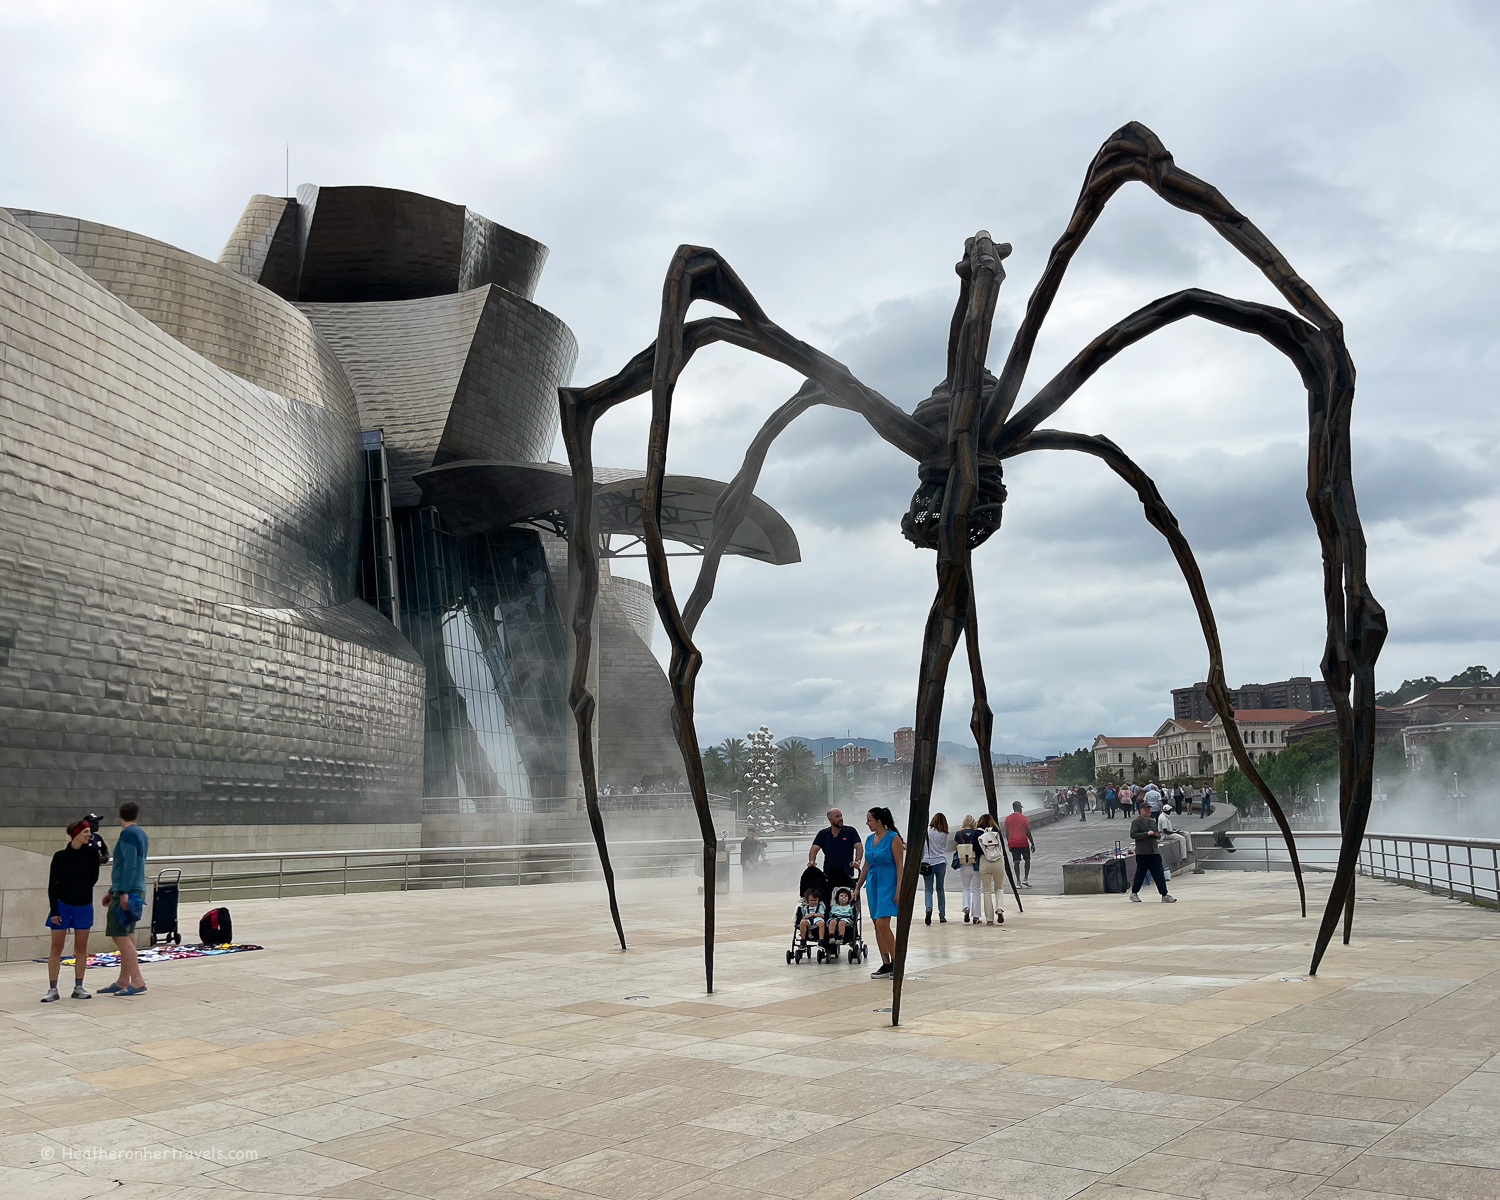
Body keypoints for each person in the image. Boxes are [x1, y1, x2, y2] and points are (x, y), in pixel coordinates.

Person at [42, 818, 102, 1002]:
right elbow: (53, 885)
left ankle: (78, 986)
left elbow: (93, 878)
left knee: (81, 948)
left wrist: (80, 892)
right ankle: (53, 988)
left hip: (83, 905)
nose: (89, 834)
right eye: (85, 832)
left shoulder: (92, 854)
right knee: (56, 948)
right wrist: (54, 910)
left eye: (89, 832)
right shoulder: (59, 856)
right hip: (62, 905)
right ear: (75, 834)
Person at [100, 801, 149, 996]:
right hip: (134, 888)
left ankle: (137, 980)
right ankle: (123, 980)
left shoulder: (128, 834)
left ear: (120, 815)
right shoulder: (141, 834)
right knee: (127, 934)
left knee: (119, 934)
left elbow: (128, 865)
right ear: (137, 814)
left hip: (129, 890)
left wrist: (122, 892)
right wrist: (114, 890)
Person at [857, 807, 904, 977]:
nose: (867, 823)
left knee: (884, 923)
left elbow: (900, 864)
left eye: (869, 820)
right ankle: (886, 963)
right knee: (877, 924)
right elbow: (866, 865)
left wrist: (899, 888)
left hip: (888, 883)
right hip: (873, 884)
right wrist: (857, 887)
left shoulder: (893, 838)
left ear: (878, 821)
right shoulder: (869, 839)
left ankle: (897, 961)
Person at [1128, 800, 1176, 904]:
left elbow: (1157, 834)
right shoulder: (1136, 822)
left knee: (1159, 873)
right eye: (1146, 809)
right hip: (1143, 852)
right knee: (1140, 873)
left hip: (1154, 851)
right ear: (1141, 810)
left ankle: (1164, 894)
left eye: (1149, 809)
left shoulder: (1153, 822)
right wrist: (1146, 834)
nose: (1148, 811)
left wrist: (1157, 835)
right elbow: (1133, 835)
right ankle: (1134, 893)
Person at [809, 809, 863, 891]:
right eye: (837, 816)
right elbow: (814, 849)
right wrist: (812, 861)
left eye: (841, 816)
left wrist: (857, 861)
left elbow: (859, 846)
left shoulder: (850, 831)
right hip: (828, 876)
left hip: (847, 876)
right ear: (830, 819)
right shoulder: (823, 834)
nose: (841, 818)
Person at [974, 814, 1008, 925]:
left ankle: (989, 919)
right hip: (998, 861)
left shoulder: (977, 833)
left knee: (987, 890)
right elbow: (1002, 846)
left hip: (984, 861)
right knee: (998, 887)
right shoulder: (996, 831)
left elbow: (975, 849)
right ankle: (999, 908)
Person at [952, 814, 982, 923]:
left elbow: (956, 847)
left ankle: (966, 907)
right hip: (975, 864)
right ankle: (976, 916)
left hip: (964, 863)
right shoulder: (977, 833)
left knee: (966, 888)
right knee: (976, 889)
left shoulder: (959, 834)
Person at [922, 813, 950, 926]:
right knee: (940, 888)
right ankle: (942, 915)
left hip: (927, 862)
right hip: (941, 861)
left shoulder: (927, 831)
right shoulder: (944, 833)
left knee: (928, 889)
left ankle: (929, 908)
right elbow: (945, 847)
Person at [1003, 801, 1035, 887]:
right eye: (1021, 808)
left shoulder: (1008, 819)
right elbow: (1027, 831)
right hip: (1023, 842)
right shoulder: (1024, 818)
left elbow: (1007, 833)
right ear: (1019, 808)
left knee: (1016, 862)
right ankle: (1026, 878)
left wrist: (1009, 843)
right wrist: (1032, 843)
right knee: (1027, 860)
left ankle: (1018, 881)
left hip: (1013, 843)